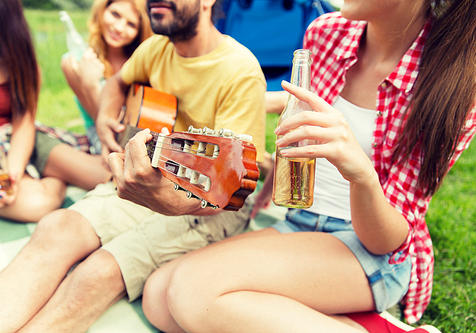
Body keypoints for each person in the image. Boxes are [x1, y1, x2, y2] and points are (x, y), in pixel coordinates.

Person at [140, 0, 476, 332]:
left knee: (194, 290)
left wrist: (361, 175)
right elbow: (298, 109)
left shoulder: (453, 83)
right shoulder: (327, 33)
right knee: (158, 296)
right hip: (300, 222)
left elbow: (386, 241)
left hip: (373, 252)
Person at [0, 0, 266, 330]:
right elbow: (115, 84)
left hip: (209, 206)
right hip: (151, 178)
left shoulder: (240, 71)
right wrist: (103, 118)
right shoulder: (156, 48)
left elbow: (227, 192)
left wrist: (168, 201)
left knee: (99, 271)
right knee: (56, 229)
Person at [0, 0, 112, 223]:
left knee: (106, 174)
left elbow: (24, 121)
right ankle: (55, 178)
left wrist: (14, 173)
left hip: (20, 136)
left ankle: (47, 173)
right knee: (36, 204)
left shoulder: (18, 57)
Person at [61, 0, 153, 154]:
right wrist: (91, 85)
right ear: (102, 10)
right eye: (115, 14)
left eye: (131, 24)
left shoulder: (140, 61)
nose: (119, 28)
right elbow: (104, 125)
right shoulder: (74, 61)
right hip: (103, 141)